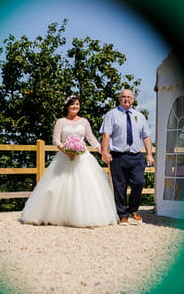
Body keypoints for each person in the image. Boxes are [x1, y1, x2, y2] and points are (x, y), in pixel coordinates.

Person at [19, 95, 118, 227]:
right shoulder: (60, 121)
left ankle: (84, 216)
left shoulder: (84, 122)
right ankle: (53, 215)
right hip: (64, 157)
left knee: (87, 186)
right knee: (58, 186)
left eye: (77, 104)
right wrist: (67, 152)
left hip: (83, 158)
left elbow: (91, 139)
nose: (75, 106)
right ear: (67, 107)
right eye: (72, 104)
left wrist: (103, 152)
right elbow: (56, 140)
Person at [100, 89, 154, 225]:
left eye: (129, 97)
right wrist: (104, 152)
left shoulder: (139, 116)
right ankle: (122, 214)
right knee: (119, 186)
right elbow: (106, 135)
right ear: (119, 99)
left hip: (136, 157)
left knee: (139, 182)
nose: (126, 99)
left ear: (133, 99)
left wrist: (149, 154)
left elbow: (146, 136)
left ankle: (133, 210)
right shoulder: (111, 115)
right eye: (123, 97)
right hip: (118, 156)